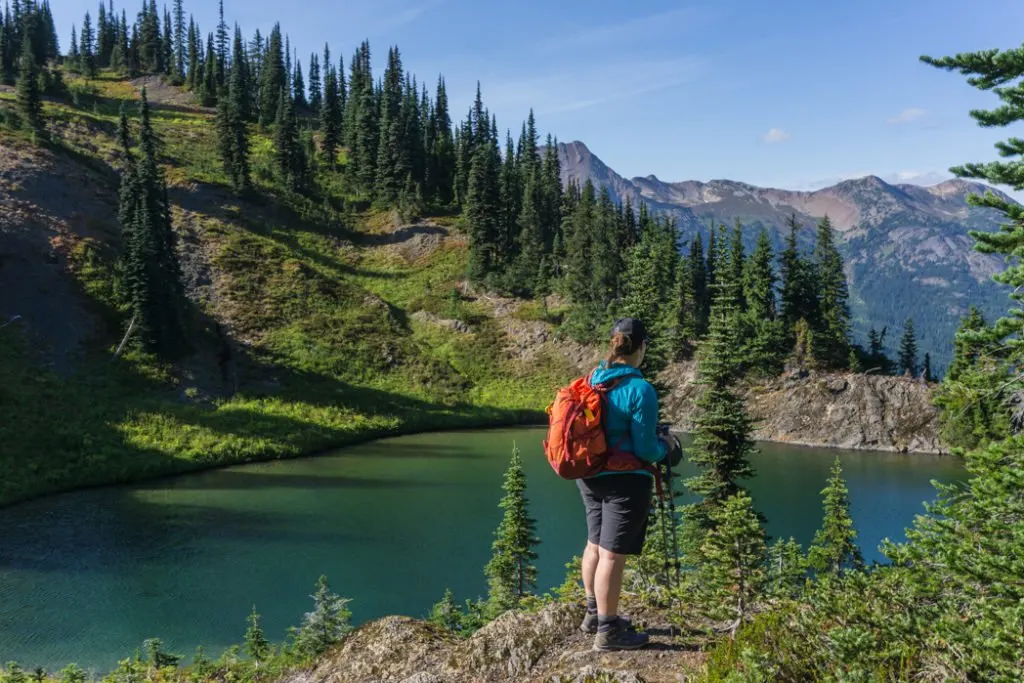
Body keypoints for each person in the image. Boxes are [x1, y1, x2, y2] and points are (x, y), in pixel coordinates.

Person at [577, 317, 676, 651]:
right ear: (642, 347)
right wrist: (667, 448)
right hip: (626, 482)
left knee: (594, 544)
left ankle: (594, 614)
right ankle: (609, 632)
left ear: (613, 344)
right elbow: (646, 448)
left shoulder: (593, 380)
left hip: (589, 475)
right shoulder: (640, 389)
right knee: (612, 555)